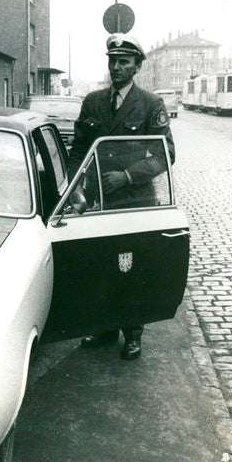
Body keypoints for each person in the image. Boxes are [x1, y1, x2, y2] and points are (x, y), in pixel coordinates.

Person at [66, 32, 176, 360]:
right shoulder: (93, 102)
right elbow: (78, 151)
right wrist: (74, 190)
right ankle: (103, 328)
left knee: (131, 266)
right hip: (99, 199)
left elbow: (165, 153)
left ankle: (132, 333)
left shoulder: (150, 104)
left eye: (124, 62)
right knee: (100, 262)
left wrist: (128, 176)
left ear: (137, 66)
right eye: (113, 61)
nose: (116, 67)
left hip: (136, 200)